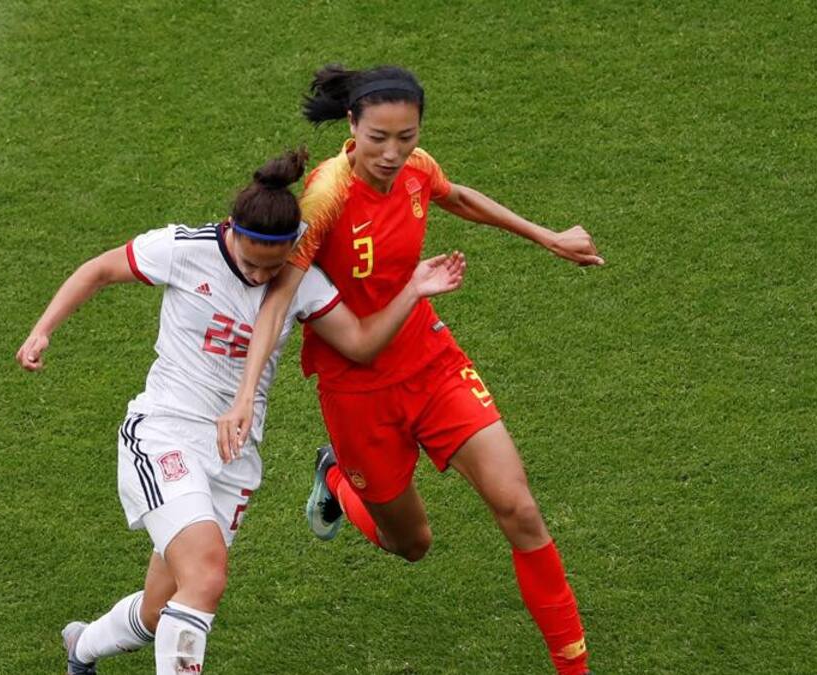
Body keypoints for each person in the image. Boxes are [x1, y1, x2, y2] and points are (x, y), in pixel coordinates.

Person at [15, 148, 466, 675]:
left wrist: (414, 289)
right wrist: (42, 329)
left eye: (270, 268)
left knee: (165, 609)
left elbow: (361, 344)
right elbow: (97, 271)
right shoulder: (184, 249)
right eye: (249, 261)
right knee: (205, 577)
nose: (256, 276)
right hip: (165, 434)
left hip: (232, 460)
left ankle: (81, 647)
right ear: (230, 229)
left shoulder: (300, 280)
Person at [215, 66, 604, 675]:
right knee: (412, 544)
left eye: (407, 136)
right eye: (379, 139)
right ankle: (338, 480)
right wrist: (242, 398)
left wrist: (546, 236)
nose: (393, 154)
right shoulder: (324, 197)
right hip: (357, 391)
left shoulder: (417, 167)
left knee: (520, 508)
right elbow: (278, 300)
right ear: (351, 126)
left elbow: (457, 196)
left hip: (430, 362)